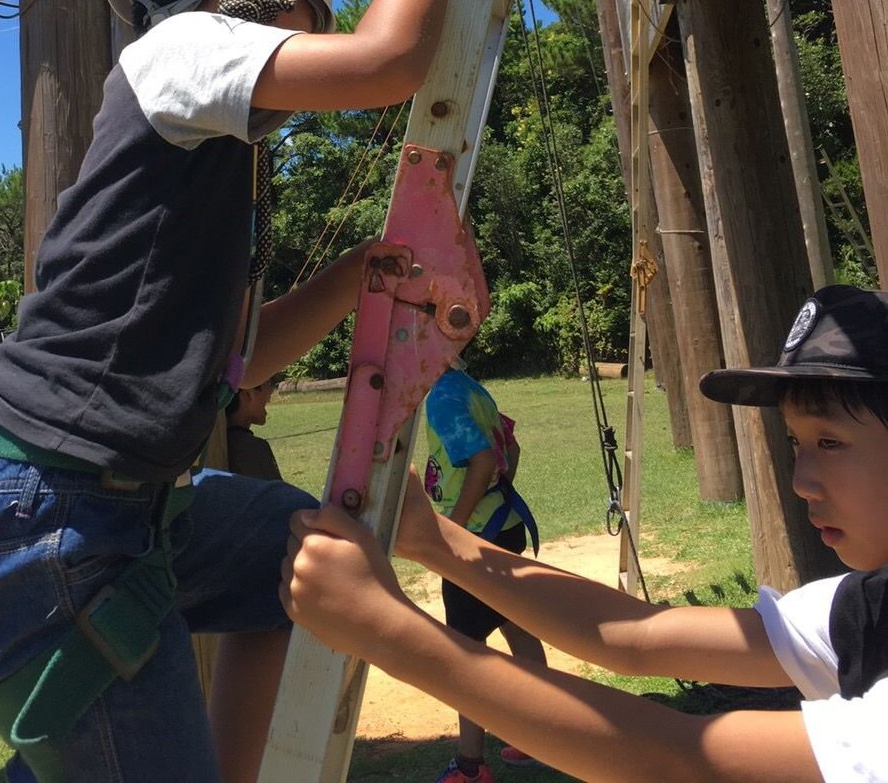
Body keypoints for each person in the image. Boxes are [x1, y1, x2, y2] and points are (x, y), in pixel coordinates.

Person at [0, 0, 501, 783]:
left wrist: (356, 275)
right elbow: (387, 60)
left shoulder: (207, 154)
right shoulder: (182, 49)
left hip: (101, 509)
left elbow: (242, 359)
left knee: (297, 556)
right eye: (301, 25)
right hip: (52, 515)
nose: (302, 68)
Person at [282, 283, 888, 783]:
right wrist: (431, 538)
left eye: (830, 442)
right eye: (795, 443)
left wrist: (385, 631)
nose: (801, 479)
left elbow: (677, 759)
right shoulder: (869, 605)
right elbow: (639, 638)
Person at [423, 363, 546, 780]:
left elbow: (480, 461)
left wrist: (452, 530)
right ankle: (540, 737)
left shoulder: (441, 397)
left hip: (477, 540)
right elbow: (510, 452)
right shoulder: (469, 387)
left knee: (465, 653)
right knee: (519, 627)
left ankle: (470, 767)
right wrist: (499, 490)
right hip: (505, 527)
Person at [226, 378, 282, 481]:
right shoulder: (252, 448)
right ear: (247, 392)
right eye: (267, 383)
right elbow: (276, 496)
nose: (270, 391)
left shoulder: (215, 443)